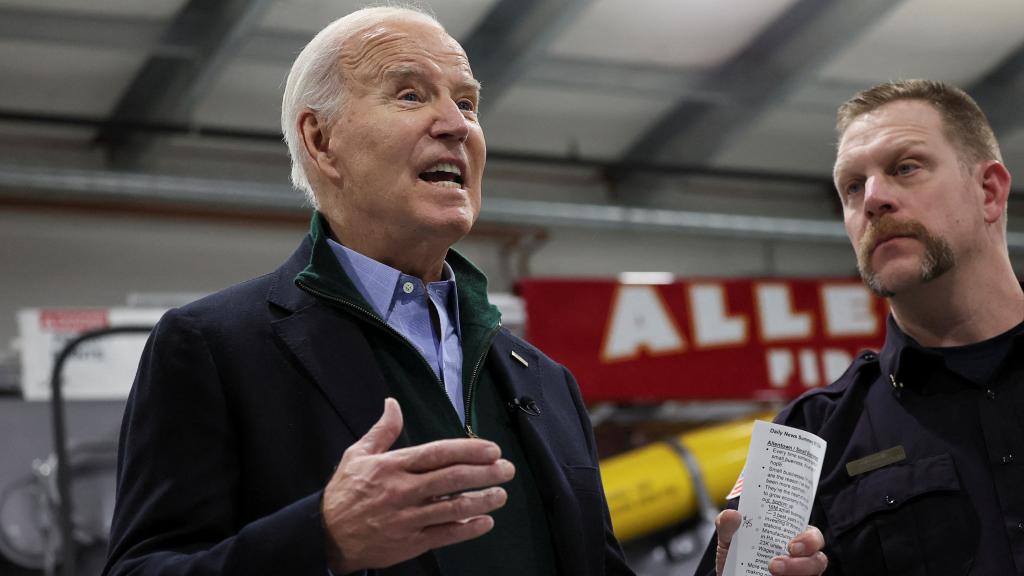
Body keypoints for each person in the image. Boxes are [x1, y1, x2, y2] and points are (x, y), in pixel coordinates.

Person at [102, 7, 633, 576]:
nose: (456, 125)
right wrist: (322, 541)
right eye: (409, 95)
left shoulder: (546, 380)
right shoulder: (214, 347)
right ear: (321, 140)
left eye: (467, 103)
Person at [698, 79, 1023, 575]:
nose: (872, 199)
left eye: (905, 168)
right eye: (852, 186)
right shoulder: (807, 439)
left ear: (989, 191)